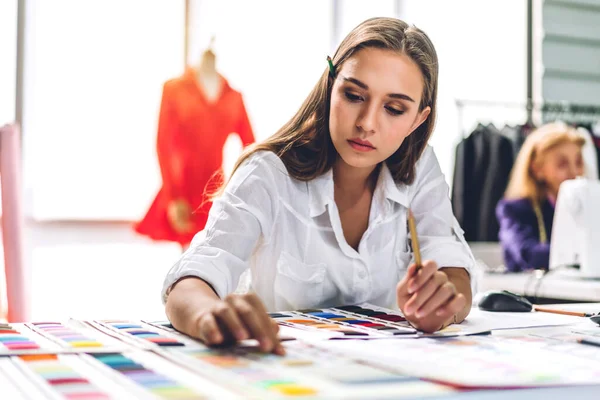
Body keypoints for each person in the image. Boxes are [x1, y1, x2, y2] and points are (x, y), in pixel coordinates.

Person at [162, 17, 476, 355]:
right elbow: (196, 275)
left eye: (394, 109)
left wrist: (442, 305)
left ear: (418, 119)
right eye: (354, 95)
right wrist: (208, 313)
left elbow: (453, 271)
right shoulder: (267, 173)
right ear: (331, 87)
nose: (367, 124)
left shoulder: (420, 167)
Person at [135, 39, 255, 249]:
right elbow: (162, 144)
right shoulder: (174, 89)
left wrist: (243, 191)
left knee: (211, 252)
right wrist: (173, 196)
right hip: (182, 185)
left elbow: (250, 147)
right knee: (186, 254)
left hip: (215, 187)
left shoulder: (234, 97)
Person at [497, 122, 585, 272]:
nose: (574, 171)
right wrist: (585, 254)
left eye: (578, 162)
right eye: (562, 164)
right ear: (537, 169)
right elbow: (528, 253)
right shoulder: (515, 209)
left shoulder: (585, 207)